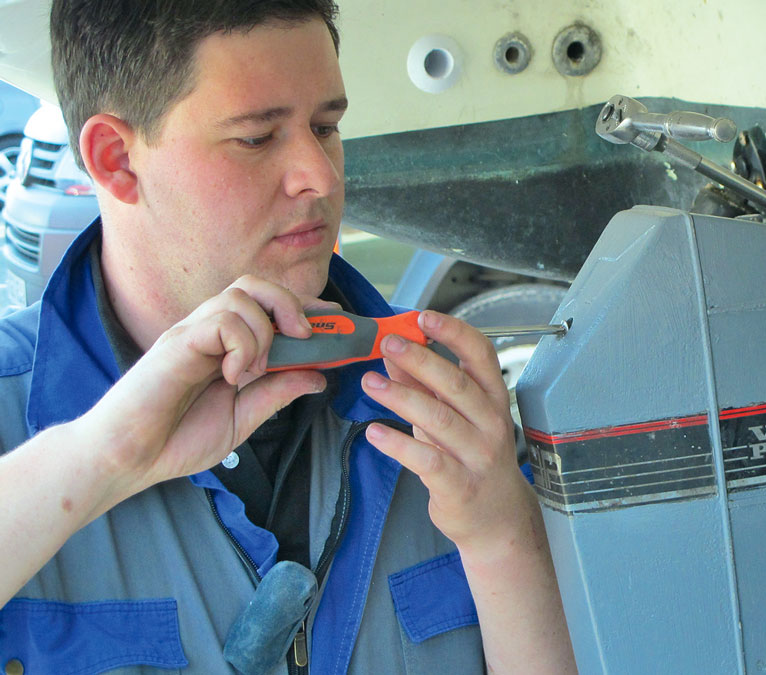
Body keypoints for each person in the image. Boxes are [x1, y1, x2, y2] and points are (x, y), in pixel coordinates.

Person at [0, 1, 576, 673]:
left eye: (326, 126)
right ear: (117, 159)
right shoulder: (17, 417)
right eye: (256, 137)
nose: (321, 176)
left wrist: (507, 540)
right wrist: (102, 456)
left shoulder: (438, 408)